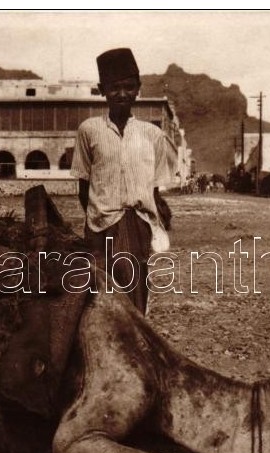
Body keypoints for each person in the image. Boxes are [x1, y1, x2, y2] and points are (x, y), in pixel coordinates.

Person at [70, 47, 175, 315]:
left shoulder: (152, 134)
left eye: (129, 87)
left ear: (138, 88)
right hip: (99, 225)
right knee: (97, 294)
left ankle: (136, 347)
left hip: (137, 224)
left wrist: (145, 223)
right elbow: (84, 184)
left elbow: (153, 189)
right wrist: (97, 218)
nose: (122, 94)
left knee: (135, 294)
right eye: (114, 88)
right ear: (102, 89)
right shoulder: (89, 130)